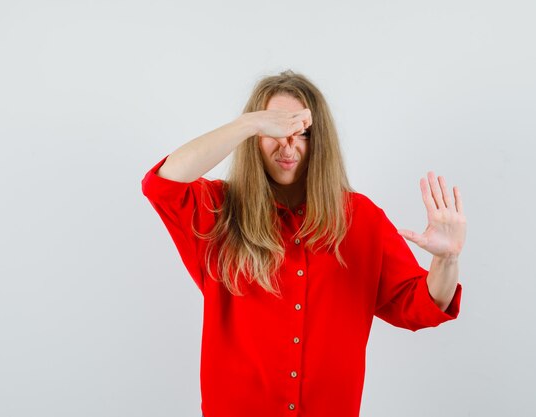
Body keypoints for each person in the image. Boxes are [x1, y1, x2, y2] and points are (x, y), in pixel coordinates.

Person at [141, 70, 466, 417]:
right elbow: (163, 184)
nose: (288, 144)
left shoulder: (361, 219)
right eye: (274, 130)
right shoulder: (218, 211)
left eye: (302, 133)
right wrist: (249, 123)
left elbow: (422, 305)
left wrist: (447, 258)